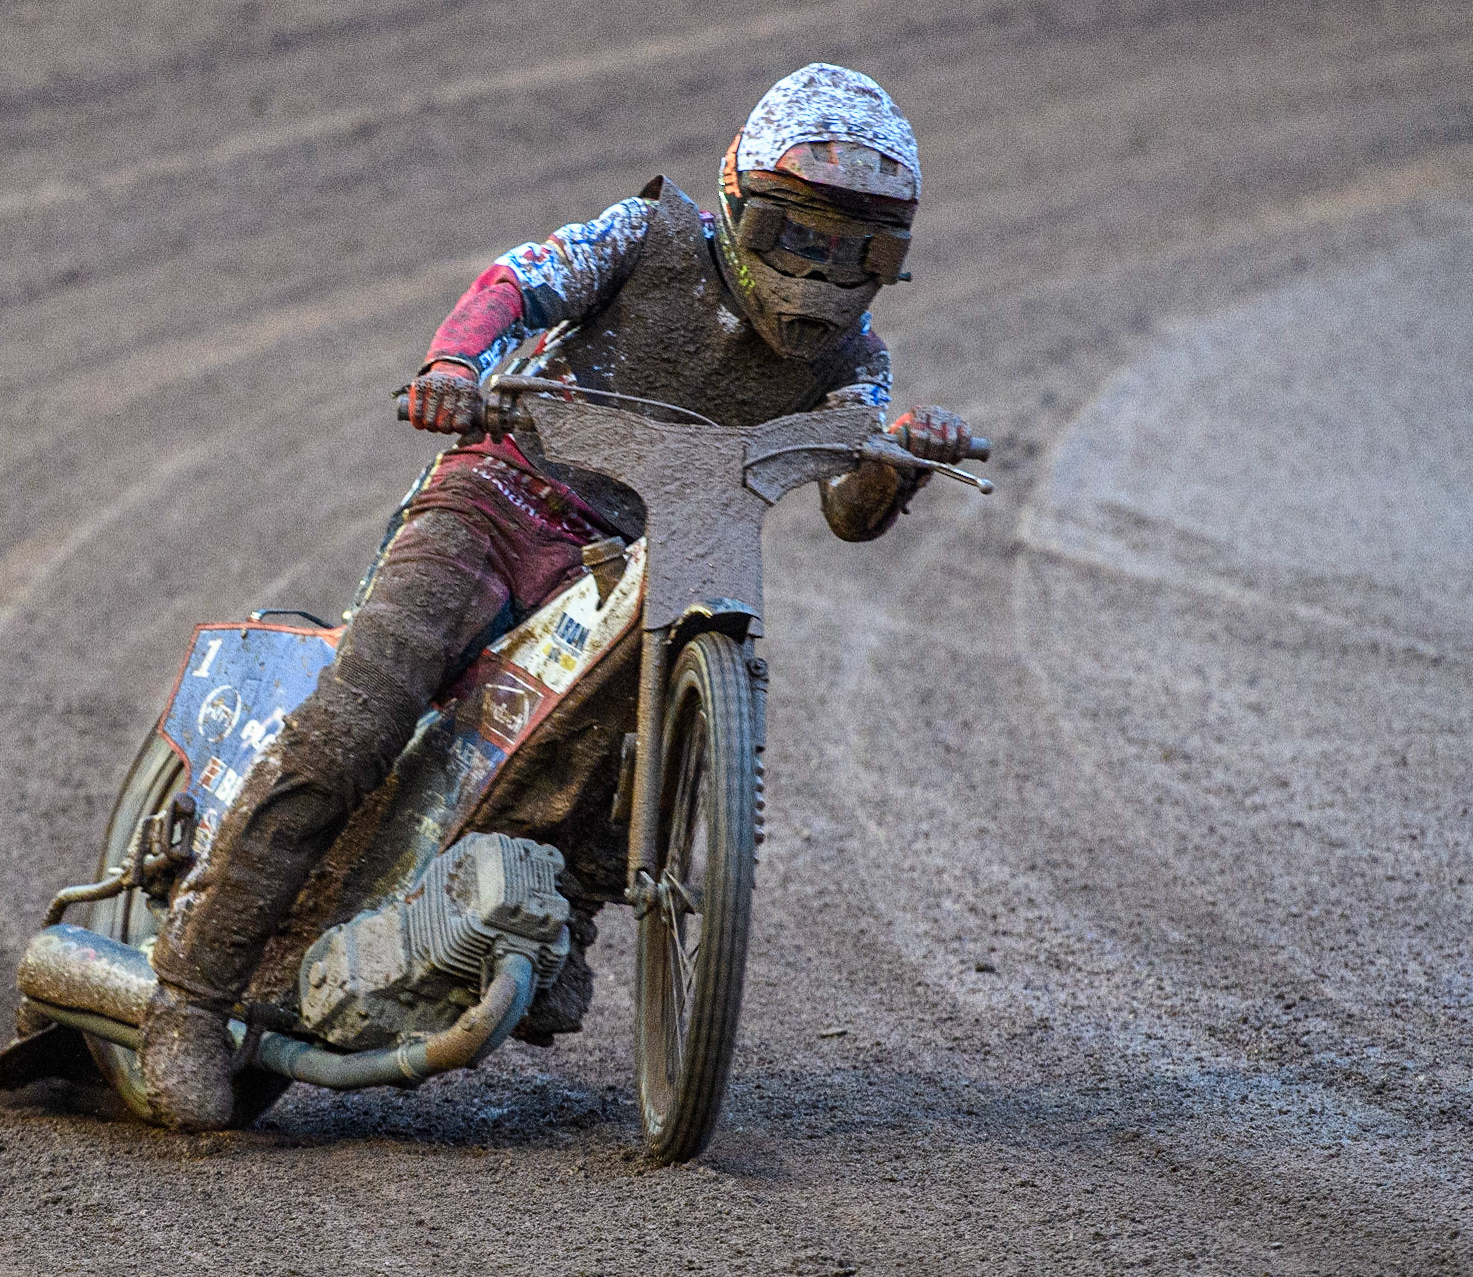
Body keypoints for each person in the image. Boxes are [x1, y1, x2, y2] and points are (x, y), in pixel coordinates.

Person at [139, 63, 976, 1129]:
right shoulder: (644, 238)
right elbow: (518, 281)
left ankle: (546, 909)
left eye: (853, 250)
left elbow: (850, 509)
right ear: (731, 203)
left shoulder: (857, 365)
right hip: (499, 499)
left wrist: (896, 459)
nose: (816, 275)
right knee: (358, 716)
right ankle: (189, 995)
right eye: (794, 237)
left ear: (888, 260)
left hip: (639, 559)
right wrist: (454, 363)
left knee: (610, 767)